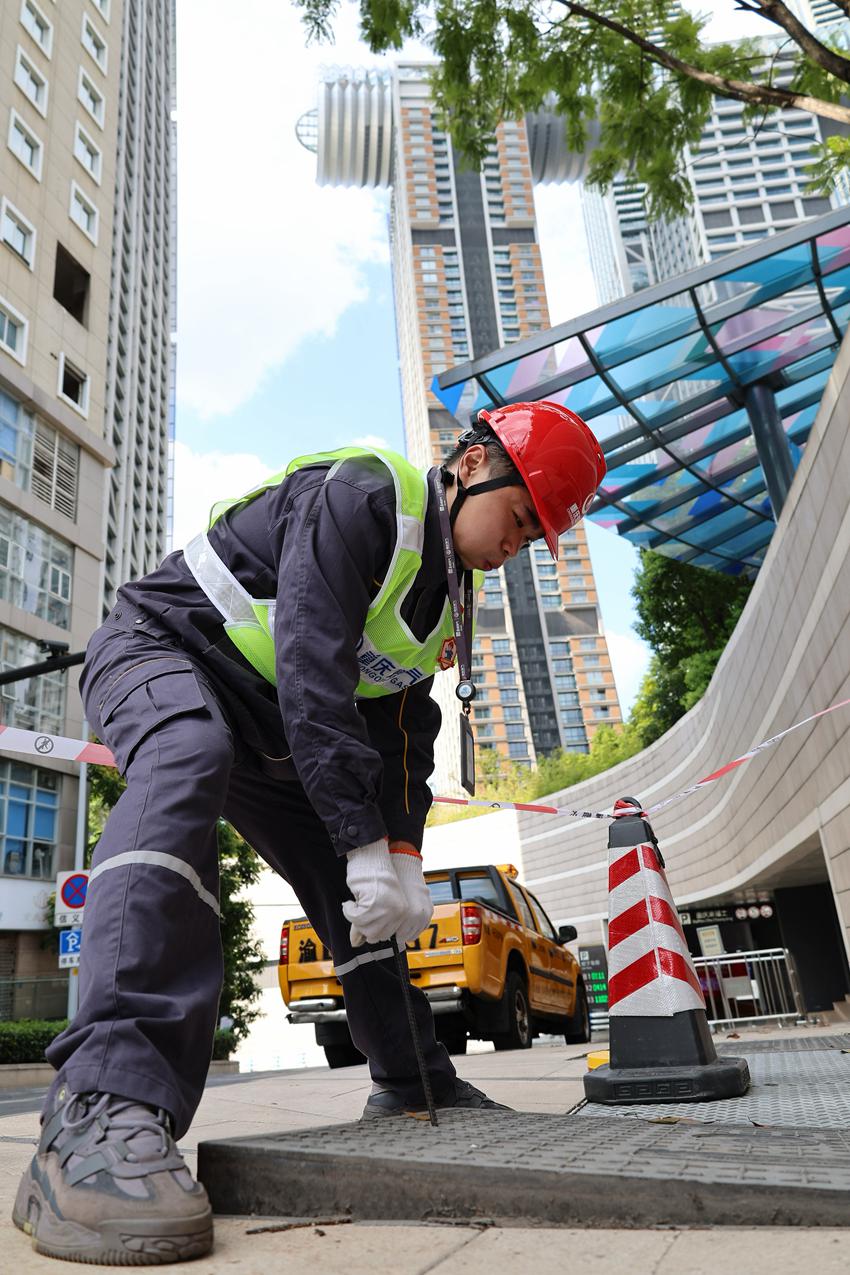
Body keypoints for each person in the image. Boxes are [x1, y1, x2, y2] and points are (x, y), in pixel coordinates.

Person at [13, 401, 605, 1264]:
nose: (519, 544)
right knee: (186, 754)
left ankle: (412, 1077)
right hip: (159, 651)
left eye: (535, 535)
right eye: (521, 518)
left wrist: (397, 852)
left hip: (268, 724)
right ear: (476, 465)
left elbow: (404, 733)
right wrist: (364, 836)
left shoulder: (446, 602)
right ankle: (97, 1107)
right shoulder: (366, 496)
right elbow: (309, 658)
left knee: (347, 884)